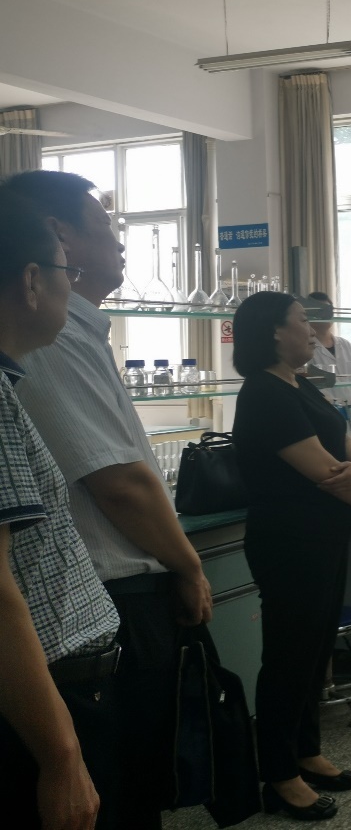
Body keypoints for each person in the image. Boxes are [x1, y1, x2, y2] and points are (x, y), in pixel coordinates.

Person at [1, 170, 214, 829]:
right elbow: (117, 481)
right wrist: (62, 754)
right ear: (39, 269)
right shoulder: (47, 350)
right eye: (102, 230)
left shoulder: (49, 350)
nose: (119, 243)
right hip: (80, 636)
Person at [231, 291, 351, 821]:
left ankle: (306, 750)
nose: (313, 331)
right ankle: (278, 774)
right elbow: (322, 470)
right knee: (290, 656)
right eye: (302, 321)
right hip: (289, 542)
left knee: (317, 651)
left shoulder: (300, 384)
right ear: (275, 331)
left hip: (322, 538)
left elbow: (346, 444)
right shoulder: (263, 393)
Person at [0, 199, 122, 830]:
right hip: (43, 701)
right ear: (31, 280)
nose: (71, 287)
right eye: (65, 272)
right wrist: (62, 758)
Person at [306, 290, 351, 408]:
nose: (326, 315)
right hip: (326, 412)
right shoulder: (305, 349)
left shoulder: (347, 346)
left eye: (328, 310)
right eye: (320, 310)